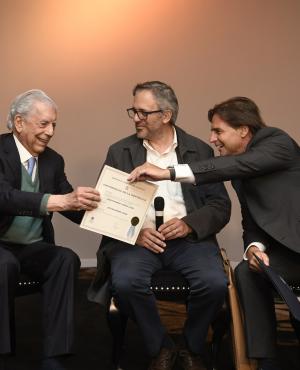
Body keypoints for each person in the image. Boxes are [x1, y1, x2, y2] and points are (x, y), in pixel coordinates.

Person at [128, 96, 300, 370]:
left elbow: (237, 166)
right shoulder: (239, 168)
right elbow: (251, 222)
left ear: (243, 129)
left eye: (218, 131)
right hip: (286, 256)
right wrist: (254, 247)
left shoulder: (276, 142)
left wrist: (168, 172)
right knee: (246, 271)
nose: (212, 138)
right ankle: (265, 360)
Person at [88, 81, 231, 370]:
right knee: (126, 282)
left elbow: (220, 206)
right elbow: (102, 208)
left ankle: (191, 348)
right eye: (133, 111)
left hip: (189, 242)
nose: (136, 118)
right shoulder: (120, 151)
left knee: (215, 283)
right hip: (138, 241)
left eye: (143, 112)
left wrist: (189, 224)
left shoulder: (199, 150)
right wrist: (136, 232)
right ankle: (161, 348)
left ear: (166, 115)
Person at [0, 89, 100, 370]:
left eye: (54, 124)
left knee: (65, 258)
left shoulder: (53, 160)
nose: (50, 131)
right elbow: (4, 197)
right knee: (4, 264)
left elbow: (69, 204)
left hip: (32, 247)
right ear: (19, 123)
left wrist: (105, 214)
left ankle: (54, 356)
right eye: (43, 124)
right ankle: (4, 355)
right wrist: (57, 201)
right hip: (1, 246)